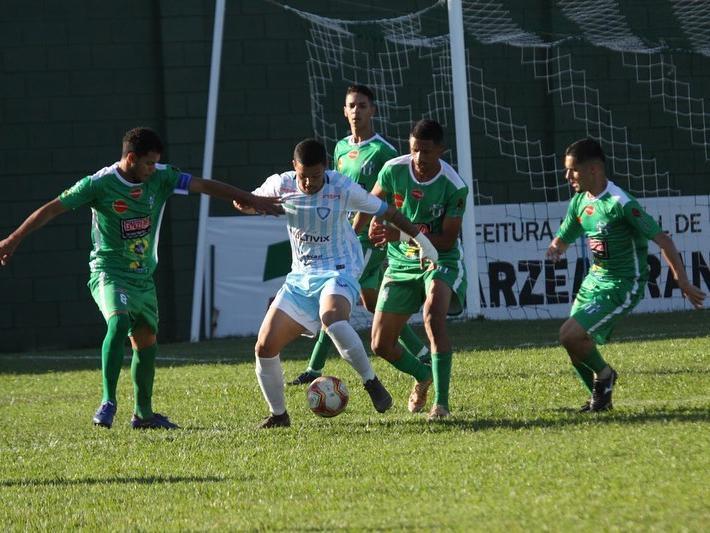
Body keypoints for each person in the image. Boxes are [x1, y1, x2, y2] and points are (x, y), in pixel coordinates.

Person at [0, 127, 282, 430]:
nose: (153, 169)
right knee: (119, 322)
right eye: (148, 163)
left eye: (155, 163)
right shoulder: (99, 184)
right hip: (108, 272)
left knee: (146, 341)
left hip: (143, 278)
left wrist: (250, 198)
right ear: (131, 158)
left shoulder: (161, 176)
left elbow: (203, 185)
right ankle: (108, 401)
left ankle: (143, 415)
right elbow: (52, 209)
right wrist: (13, 239)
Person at [234, 138, 439, 429]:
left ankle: (371, 383)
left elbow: (388, 212)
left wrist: (421, 240)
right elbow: (250, 202)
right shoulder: (281, 184)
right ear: (294, 167)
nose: (309, 182)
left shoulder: (341, 188)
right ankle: (279, 415)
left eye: (315, 176)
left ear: (326, 169)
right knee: (264, 347)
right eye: (303, 176)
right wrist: (244, 205)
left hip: (339, 271)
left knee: (332, 319)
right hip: (300, 277)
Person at [546, 138, 706, 411]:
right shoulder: (580, 202)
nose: (567, 176)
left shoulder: (621, 203)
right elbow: (567, 233)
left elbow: (664, 241)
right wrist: (556, 247)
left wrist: (682, 280)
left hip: (623, 285)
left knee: (570, 336)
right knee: (575, 346)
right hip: (594, 281)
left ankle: (605, 376)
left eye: (573, 170)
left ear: (594, 169)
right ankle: (599, 401)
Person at [289, 84, 429, 386]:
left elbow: (391, 193)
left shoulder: (384, 151)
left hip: (366, 236)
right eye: (351, 105)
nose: (356, 111)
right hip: (339, 236)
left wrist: (382, 227)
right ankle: (421, 351)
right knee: (366, 302)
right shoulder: (339, 148)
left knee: (337, 303)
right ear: (344, 110)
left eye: (362, 106)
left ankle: (314, 369)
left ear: (373, 110)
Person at [368, 119, 469, 421]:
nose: (419, 159)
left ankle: (441, 404)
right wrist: (374, 219)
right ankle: (422, 374)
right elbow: (374, 200)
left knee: (432, 317)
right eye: (414, 150)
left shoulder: (454, 186)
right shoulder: (393, 169)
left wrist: (398, 234)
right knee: (380, 344)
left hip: (440, 259)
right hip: (401, 262)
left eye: (426, 152)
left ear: (441, 150)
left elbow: (448, 239)